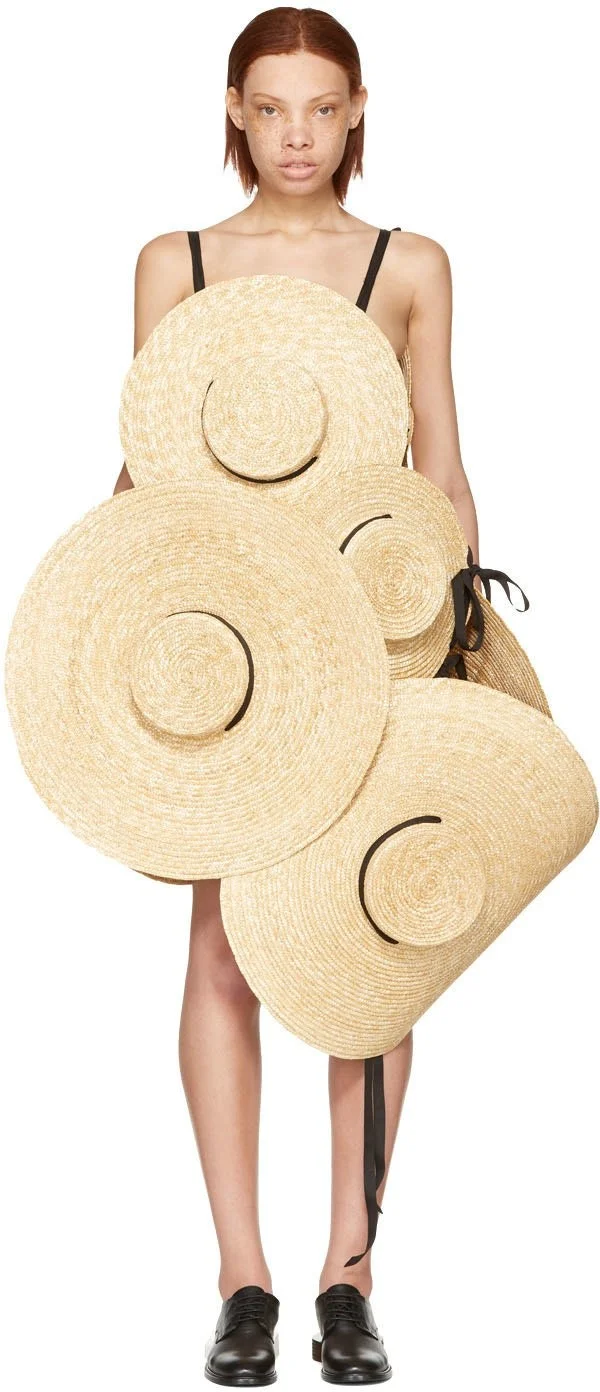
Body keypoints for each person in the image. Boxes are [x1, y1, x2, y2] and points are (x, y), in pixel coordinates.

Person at [113, 8, 482, 1385]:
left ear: (358, 108)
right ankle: (243, 1280)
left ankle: (350, 1276)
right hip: (228, 641)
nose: (296, 136)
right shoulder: (179, 261)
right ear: (234, 109)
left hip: (373, 632)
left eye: (321, 108)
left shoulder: (408, 264)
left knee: (368, 945)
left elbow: (442, 458)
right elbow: (147, 457)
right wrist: (119, 613)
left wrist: (459, 633)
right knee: (222, 948)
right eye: (270, 108)